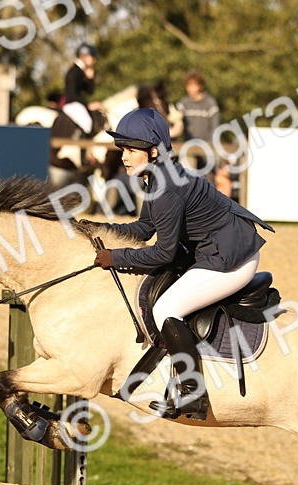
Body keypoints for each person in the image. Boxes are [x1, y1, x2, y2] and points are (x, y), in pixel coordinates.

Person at [94, 108, 275, 420]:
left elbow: (163, 253)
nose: (124, 157)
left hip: (231, 259)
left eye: (131, 150)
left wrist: (115, 258)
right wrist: (100, 229)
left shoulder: (166, 187)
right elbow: (144, 228)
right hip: (215, 249)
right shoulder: (157, 177)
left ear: (153, 151)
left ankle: (193, 393)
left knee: (166, 309)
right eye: (122, 149)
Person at [175, 71, 220, 174]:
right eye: (188, 86)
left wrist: (210, 145)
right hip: (188, 148)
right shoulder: (183, 103)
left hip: (206, 149)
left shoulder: (210, 103)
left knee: (208, 179)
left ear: (200, 86)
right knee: (188, 178)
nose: (190, 89)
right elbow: (176, 123)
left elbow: (215, 127)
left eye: (193, 86)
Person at [60, 42, 103, 135]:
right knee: (87, 123)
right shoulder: (74, 71)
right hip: (73, 104)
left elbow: (90, 91)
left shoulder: (81, 71)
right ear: (83, 56)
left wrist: (90, 79)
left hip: (77, 104)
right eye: (92, 57)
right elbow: (72, 94)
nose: (94, 60)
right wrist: (88, 105)